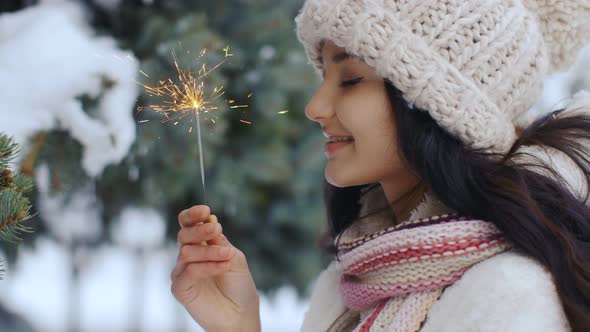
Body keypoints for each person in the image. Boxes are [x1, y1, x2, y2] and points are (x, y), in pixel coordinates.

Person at [170, 0, 590, 331]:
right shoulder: (353, 286)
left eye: (350, 80)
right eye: (323, 77)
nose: (315, 107)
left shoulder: (503, 301)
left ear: (437, 107)